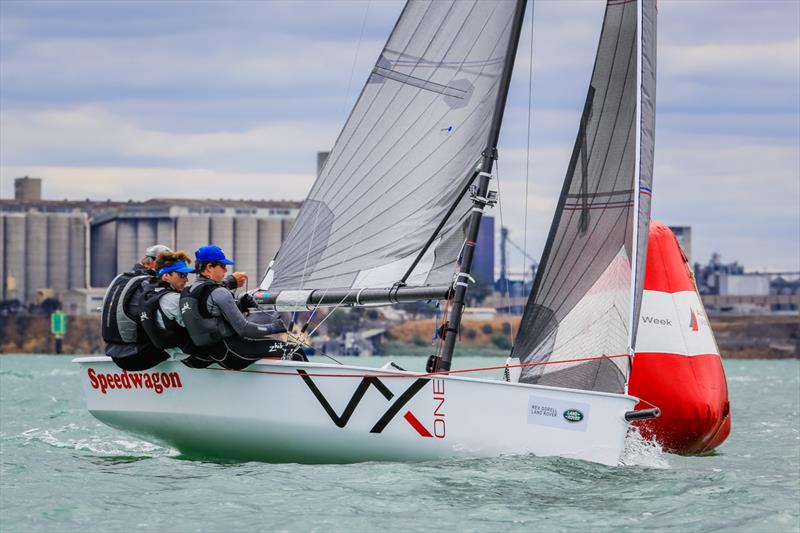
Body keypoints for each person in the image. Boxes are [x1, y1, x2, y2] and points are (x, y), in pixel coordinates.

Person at [180, 245, 290, 370]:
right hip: (233, 353)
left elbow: (209, 313)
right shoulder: (219, 292)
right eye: (222, 266)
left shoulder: (188, 292)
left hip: (212, 354)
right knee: (293, 351)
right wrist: (274, 328)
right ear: (209, 268)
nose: (226, 270)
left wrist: (239, 304)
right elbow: (244, 329)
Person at [138, 251, 225, 368]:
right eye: (182, 275)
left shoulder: (150, 294)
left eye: (186, 275)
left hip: (175, 354)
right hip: (193, 356)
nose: (186, 280)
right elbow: (198, 326)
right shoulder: (173, 299)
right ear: (166, 276)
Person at [101, 244, 172, 371]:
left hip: (113, 353)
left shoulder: (122, 278)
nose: (170, 268)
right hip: (139, 356)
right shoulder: (150, 284)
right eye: (167, 264)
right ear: (152, 263)